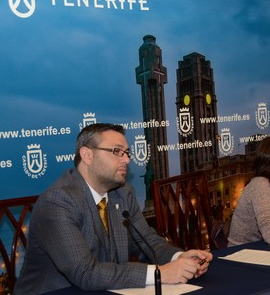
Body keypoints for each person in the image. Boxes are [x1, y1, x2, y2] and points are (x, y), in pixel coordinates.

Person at [14, 123, 212, 294]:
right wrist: (161, 272)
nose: (126, 159)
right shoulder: (58, 201)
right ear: (87, 155)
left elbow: (148, 242)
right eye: (117, 151)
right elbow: (85, 273)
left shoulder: (123, 193)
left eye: (127, 153)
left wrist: (178, 257)